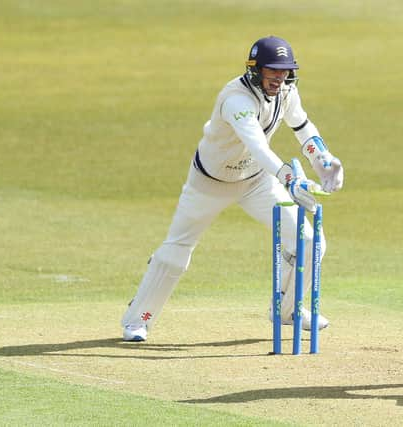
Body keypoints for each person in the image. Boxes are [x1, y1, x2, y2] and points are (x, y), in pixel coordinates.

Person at [121, 36, 344, 342]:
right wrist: (289, 178)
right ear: (255, 70)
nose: (279, 77)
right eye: (272, 71)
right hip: (209, 184)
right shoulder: (235, 100)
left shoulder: (286, 91)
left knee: (310, 240)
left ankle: (288, 310)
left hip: (255, 181)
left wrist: (323, 159)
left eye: (285, 71)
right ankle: (138, 320)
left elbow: (302, 126)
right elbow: (256, 143)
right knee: (175, 253)